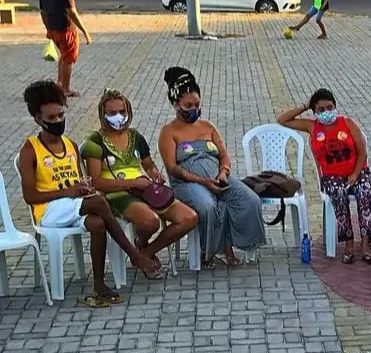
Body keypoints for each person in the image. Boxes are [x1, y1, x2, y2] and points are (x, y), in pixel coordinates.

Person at [18, 80, 157, 307]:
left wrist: (83, 189)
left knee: (97, 223)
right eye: (51, 119)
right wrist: (70, 191)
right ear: (37, 120)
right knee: (99, 203)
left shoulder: (70, 145)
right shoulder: (30, 149)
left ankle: (99, 284)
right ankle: (134, 254)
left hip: (73, 205)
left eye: (61, 115)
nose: (58, 121)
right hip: (48, 211)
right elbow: (30, 197)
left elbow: (82, 182)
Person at [81, 88, 198, 276]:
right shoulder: (94, 142)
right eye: (112, 113)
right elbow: (95, 182)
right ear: (103, 114)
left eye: (122, 112)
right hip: (116, 194)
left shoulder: (136, 137)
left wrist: (155, 175)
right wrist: (131, 183)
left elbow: (149, 165)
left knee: (189, 218)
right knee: (151, 222)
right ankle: (142, 252)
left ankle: (144, 253)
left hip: (145, 188)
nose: (118, 117)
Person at [158, 67, 266, 268]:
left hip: (218, 178)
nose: (194, 109)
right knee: (208, 206)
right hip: (187, 183)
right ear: (176, 104)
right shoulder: (168, 131)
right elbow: (172, 168)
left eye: (197, 104)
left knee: (250, 200)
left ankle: (238, 243)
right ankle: (211, 251)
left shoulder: (208, 126)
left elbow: (224, 155)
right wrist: (202, 181)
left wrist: (223, 172)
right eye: (188, 105)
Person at [277, 88, 371, 264]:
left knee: (365, 195)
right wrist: (305, 105)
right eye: (321, 110)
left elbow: (363, 153)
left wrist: (355, 174)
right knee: (339, 196)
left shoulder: (348, 123)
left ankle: (365, 243)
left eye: (330, 107)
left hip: (358, 171)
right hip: (332, 176)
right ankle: (348, 242)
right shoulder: (312, 126)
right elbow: (282, 120)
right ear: (315, 112)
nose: (327, 113)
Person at [39, 0, 91, 97]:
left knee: (63, 55)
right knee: (68, 59)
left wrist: (48, 29)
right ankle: (66, 89)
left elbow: (43, 13)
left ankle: (60, 82)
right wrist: (85, 32)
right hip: (66, 31)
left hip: (53, 30)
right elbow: (73, 14)